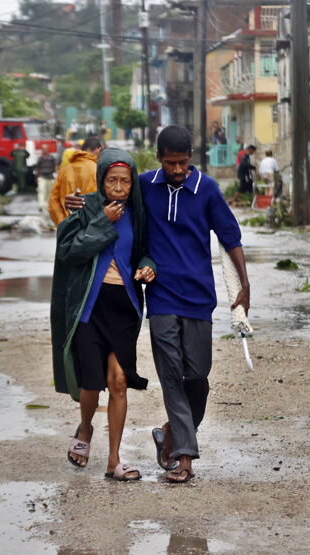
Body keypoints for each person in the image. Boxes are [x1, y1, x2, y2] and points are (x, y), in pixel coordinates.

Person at [66, 125, 250, 483]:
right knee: (171, 378)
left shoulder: (207, 190)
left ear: (190, 159)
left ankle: (169, 433)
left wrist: (245, 284)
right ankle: (184, 457)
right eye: (170, 163)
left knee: (197, 376)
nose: (177, 170)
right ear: (159, 158)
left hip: (199, 299)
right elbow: (109, 195)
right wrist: (80, 203)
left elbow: (231, 237)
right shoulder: (146, 187)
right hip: (162, 298)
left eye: (182, 163)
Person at [51, 148, 156, 481]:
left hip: (123, 307)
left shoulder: (139, 214)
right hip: (90, 306)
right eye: (112, 180)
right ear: (101, 179)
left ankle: (113, 460)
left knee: (119, 381)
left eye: (125, 181)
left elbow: (145, 252)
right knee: (91, 384)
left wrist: (147, 267)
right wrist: (101, 222)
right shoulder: (86, 209)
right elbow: (69, 251)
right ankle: (85, 428)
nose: (119, 187)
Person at [49, 137, 102, 225]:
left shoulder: (64, 170)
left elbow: (53, 202)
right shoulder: (97, 170)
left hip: (67, 226)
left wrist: (62, 223)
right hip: (90, 228)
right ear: (98, 150)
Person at [35, 149, 58, 217]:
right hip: (42, 176)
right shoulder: (40, 158)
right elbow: (37, 168)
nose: (44, 150)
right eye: (43, 149)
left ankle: (49, 206)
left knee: (50, 193)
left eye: (45, 149)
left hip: (50, 177)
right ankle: (41, 206)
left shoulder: (51, 157)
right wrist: (36, 177)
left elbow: (55, 166)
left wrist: (56, 174)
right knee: (41, 191)